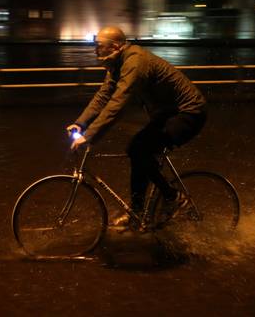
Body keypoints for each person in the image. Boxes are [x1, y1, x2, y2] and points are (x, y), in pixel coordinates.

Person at [66, 26, 206, 226]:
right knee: (137, 151)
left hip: (189, 112)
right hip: (168, 113)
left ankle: (173, 197)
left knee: (138, 149)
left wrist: (89, 136)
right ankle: (137, 213)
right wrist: (80, 123)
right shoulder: (118, 63)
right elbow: (104, 96)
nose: (95, 51)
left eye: (99, 46)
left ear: (114, 46)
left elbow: (117, 103)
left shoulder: (135, 63)